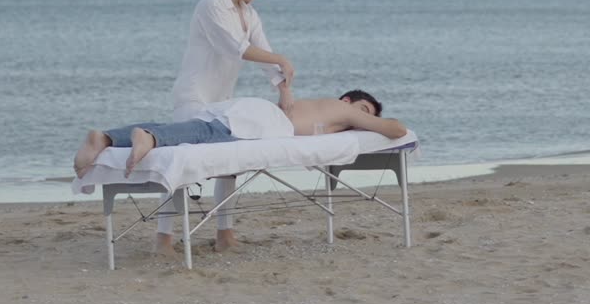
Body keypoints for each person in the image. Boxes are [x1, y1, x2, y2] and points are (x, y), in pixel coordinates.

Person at [157, 0, 295, 253]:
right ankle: (163, 237)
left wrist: (283, 89)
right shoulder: (210, 5)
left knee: (230, 164)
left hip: (222, 101)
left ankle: (224, 234)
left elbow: (263, 53)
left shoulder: (250, 14)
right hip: (193, 98)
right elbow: (235, 48)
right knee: (182, 165)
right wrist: (281, 59)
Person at [73, 89, 407, 182]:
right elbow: (397, 130)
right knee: (205, 132)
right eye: (364, 110)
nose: (364, 120)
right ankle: (149, 137)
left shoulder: (329, 112)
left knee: (194, 130)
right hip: (264, 121)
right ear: (348, 100)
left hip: (256, 113)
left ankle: (106, 139)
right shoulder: (342, 109)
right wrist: (369, 122)